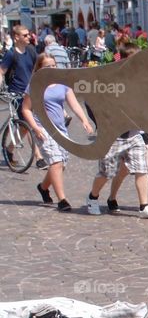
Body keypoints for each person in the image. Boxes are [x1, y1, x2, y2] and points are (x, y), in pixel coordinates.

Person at [84, 43, 148, 220]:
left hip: (134, 133)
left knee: (141, 169)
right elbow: (90, 100)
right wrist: (100, 121)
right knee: (107, 173)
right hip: (113, 135)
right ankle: (93, 197)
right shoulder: (111, 79)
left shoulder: (140, 80)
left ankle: (144, 206)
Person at [21, 53, 94, 211]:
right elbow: (26, 109)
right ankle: (62, 200)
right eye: (48, 66)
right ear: (40, 69)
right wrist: (35, 128)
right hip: (43, 129)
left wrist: (84, 120)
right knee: (56, 162)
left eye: (54, 65)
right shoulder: (35, 85)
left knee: (61, 165)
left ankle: (43, 187)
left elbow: (74, 104)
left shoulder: (62, 83)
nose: (52, 69)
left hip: (60, 130)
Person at [1, 25, 41, 166]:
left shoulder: (31, 51)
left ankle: (9, 149)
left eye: (28, 34)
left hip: (31, 92)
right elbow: (1, 72)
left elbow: (38, 67)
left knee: (24, 127)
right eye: (24, 35)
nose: (28, 37)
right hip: (17, 94)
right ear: (16, 37)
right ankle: (39, 158)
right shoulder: (11, 54)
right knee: (29, 123)